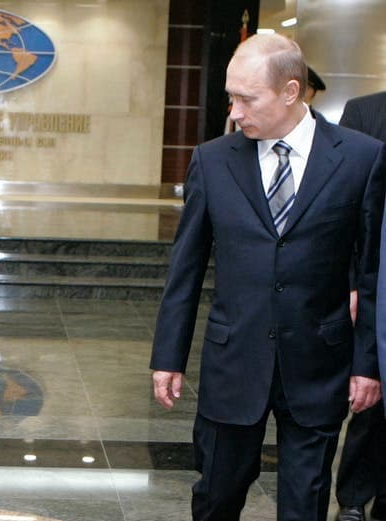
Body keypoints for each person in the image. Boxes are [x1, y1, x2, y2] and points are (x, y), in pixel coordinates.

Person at [150, 33, 386, 521]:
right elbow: (186, 268)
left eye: (247, 99)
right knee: (217, 497)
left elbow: (371, 274)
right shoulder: (212, 160)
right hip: (234, 362)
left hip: (319, 366)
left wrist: (368, 366)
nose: (235, 112)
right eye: (231, 98)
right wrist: (168, 357)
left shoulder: (361, 158)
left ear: (290, 91)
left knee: (305, 505)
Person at [336, 89, 386, 521]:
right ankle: (353, 497)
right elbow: (344, 207)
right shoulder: (365, 112)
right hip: (377, 275)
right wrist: (351, 282)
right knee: (372, 390)